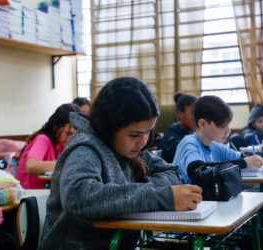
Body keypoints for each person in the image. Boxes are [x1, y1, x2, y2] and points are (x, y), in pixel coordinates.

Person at [39, 77, 203, 250]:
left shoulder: (128, 148)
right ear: (109, 127)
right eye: (134, 135)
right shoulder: (85, 149)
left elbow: (172, 173)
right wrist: (161, 197)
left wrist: (141, 193)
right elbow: (77, 196)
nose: (142, 142)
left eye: (148, 132)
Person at [173, 95, 263, 184]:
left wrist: (251, 160)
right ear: (202, 124)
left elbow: (238, 158)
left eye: (228, 124)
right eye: (222, 125)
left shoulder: (213, 144)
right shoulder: (189, 143)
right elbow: (198, 170)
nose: (228, 131)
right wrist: (244, 163)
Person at [16, 103, 80, 189]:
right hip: (29, 196)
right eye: (68, 133)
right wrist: (67, 164)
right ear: (56, 126)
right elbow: (30, 166)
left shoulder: (58, 145)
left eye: (73, 135)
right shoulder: (43, 139)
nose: (70, 138)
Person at [160, 93, 197, 162]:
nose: (196, 118)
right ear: (180, 114)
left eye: (197, 114)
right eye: (193, 113)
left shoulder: (195, 132)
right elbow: (184, 152)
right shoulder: (171, 133)